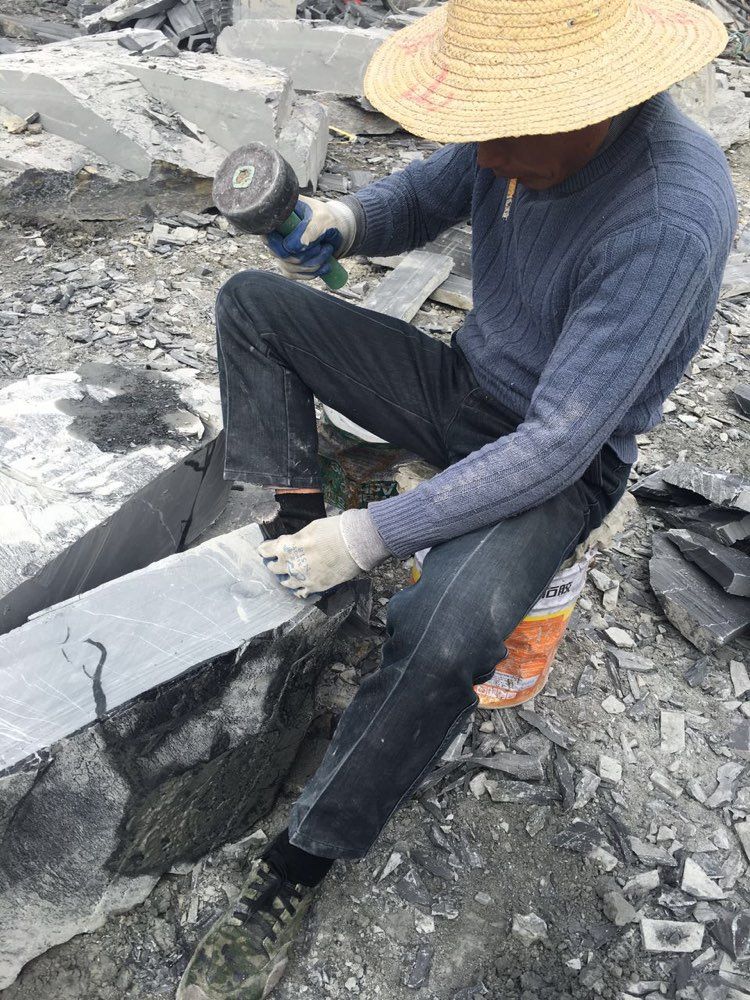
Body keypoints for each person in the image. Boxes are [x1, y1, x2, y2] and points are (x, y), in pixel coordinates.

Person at [178, 0, 737, 996]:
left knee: (445, 635)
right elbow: (424, 192)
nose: (490, 157)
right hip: (468, 385)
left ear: (595, 101)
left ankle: (300, 861)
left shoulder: (667, 218)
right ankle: (297, 542)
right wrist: (345, 220)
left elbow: (556, 444)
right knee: (254, 308)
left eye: (507, 136)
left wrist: (377, 532)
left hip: (564, 457)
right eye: (482, 131)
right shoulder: (516, 136)